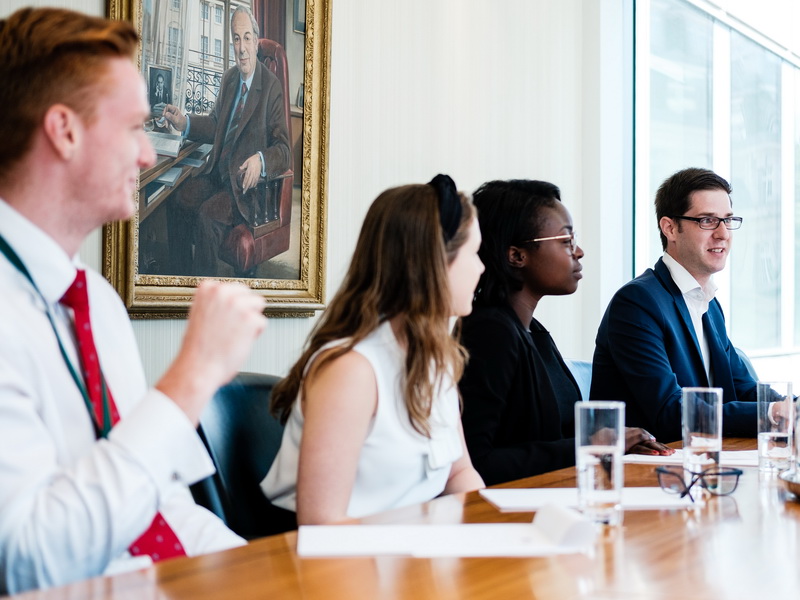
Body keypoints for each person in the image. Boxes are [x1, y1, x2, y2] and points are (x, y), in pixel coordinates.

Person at [0, 8, 268, 594]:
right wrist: (192, 377)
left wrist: (271, 576)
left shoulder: (95, 300)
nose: (148, 154)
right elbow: (26, 562)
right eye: (131, 128)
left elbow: (159, 506)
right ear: (64, 130)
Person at [261, 175, 485, 524]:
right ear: (435, 263)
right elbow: (323, 524)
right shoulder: (351, 371)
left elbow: (459, 476)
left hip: (405, 554)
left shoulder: (434, 358)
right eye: (474, 254)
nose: (482, 268)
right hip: (324, 563)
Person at [459, 180, 672, 486]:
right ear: (516, 255)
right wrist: (590, 448)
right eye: (566, 240)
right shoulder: (489, 333)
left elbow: (559, 437)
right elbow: (478, 462)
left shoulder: (533, 331)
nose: (579, 252)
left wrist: (610, 443)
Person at [591, 167, 758, 442]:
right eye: (707, 220)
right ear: (670, 228)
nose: (723, 234)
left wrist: (791, 407)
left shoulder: (709, 305)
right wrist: (775, 413)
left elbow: (743, 389)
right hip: (650, 472)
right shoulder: (637, 302)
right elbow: (671, 413)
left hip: (702, 462)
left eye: (728, 221)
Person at [161, 6, 290, 276]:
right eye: (236, 38)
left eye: (246, 38)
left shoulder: (271, 87)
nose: (241, 47)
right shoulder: (230, 78)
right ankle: (179, 282)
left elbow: (284, 150)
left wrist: (261, 160)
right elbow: (216, 125)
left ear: (256, 41)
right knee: (175, 201)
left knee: (207, 218)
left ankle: (205, 297)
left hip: (243, 188)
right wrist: (185, 122)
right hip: (217, 175)